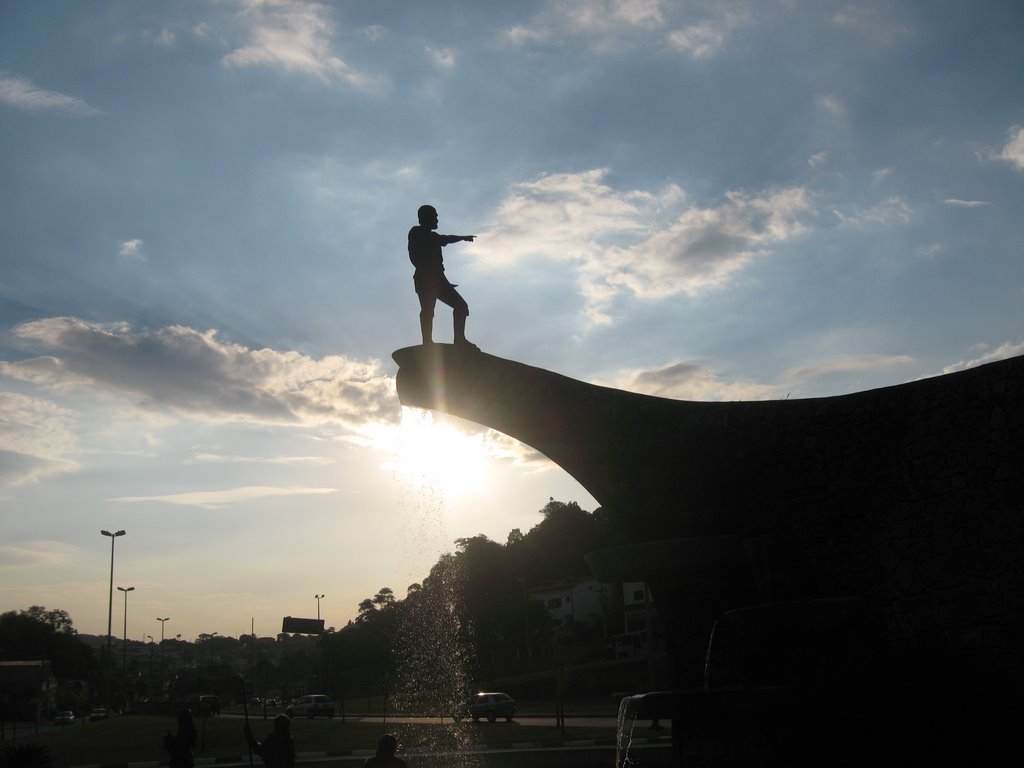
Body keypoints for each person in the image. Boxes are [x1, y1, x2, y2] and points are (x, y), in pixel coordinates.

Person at [408, 204, 477, 349]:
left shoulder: (434, 237)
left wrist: (463, 238)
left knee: (461, 306)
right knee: (428, 310)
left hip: (439, 281)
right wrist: (429, 275)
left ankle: (459, 340)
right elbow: (414, 257)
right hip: (425, 280)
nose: (437, 218)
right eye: (435, 215)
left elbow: (447, 239)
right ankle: (427, 341)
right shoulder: (416, 232)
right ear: (426, 218)